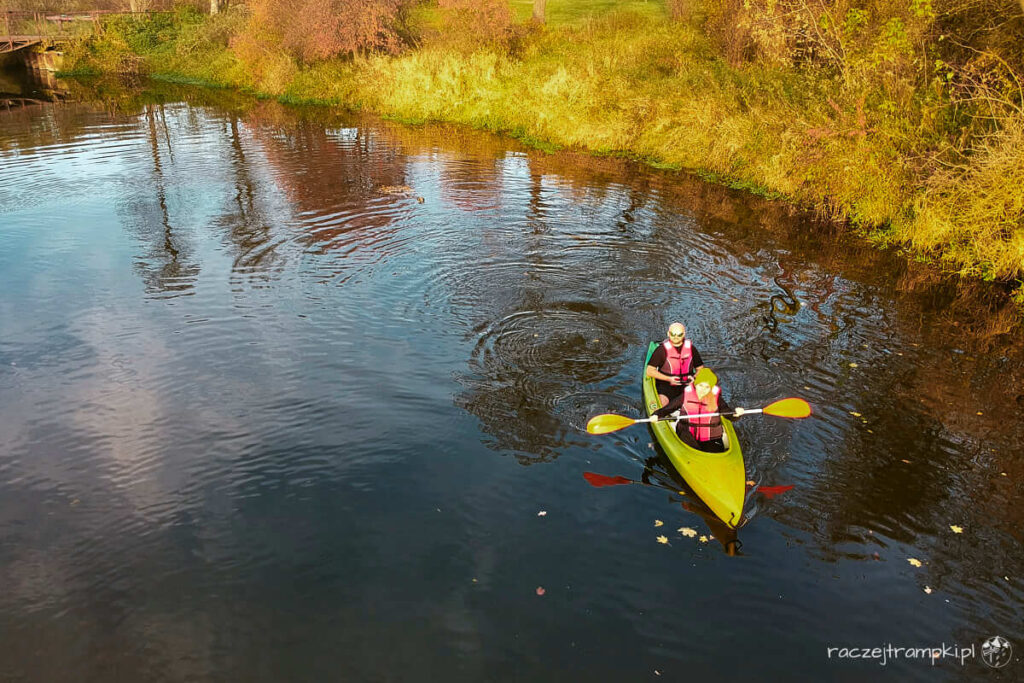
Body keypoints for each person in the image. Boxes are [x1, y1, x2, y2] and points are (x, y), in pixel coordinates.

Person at [650, 367, 744, 453]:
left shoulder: (717, 399)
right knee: (693, 449)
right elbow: (668, 409)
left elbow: (728, 414)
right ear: (696, 385)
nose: (703, 390)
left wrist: (736, 414)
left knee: (714, 451)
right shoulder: (686, 395)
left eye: (707, 387)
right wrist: (656, 415)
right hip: (687, 432)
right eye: (700, 386)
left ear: (711, 388)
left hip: (711, 436)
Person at [646, 322, 705, 407]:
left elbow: (700, 368)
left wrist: (694, 377)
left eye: (679, 335)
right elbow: (649, 371)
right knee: (662, 402)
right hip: (666, 385)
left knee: (699, 403)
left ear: (684, 334)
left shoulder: (691, 349)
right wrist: (669, 379)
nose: (676, 337)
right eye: (673, 334)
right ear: (668, 334)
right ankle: (662, 414)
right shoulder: (661, 350)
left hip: (687, 383)